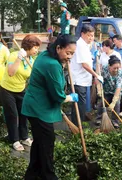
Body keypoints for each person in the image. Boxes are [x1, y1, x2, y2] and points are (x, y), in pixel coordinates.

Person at [22, 35, 78, 180]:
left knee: (39, 142)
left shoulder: (45, 55)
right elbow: (58, 96)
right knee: (47, 143)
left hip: (35, 105)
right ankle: (48, 175)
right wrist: (70, 97)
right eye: (68, 53)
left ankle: (32, 174)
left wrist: (64, 64)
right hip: (38, 108)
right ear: (58, 48)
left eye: (72, 54)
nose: (70, 57)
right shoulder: (52, 64)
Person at [0, 35, 41, 151]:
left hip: (20, 89)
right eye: (35, 48)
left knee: (24, 113)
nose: (37, 50)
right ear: (28, 46)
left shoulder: (32, 60)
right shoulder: (13, 56)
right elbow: (11, 73)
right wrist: (19, 58)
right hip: (7, 89)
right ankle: (14, 140)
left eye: (37, 48)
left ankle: (24, 137)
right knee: (12, 115)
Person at [70, 24, 103, 126]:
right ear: (82, 34)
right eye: (89, 35)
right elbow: (84, 65)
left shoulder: (85, 45)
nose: (91, 38)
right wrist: (96, 75)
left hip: (83, 80)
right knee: (79, 106)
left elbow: (88, 61)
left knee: (80, 105)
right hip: (79, 81)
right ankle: (77, 127)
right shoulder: (80, 45)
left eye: (92, 35)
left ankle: (78, 125)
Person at [95, 55, 122, 127]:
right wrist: (99, 89)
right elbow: (98, 79)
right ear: (109, 66)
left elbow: (118, 87)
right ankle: (99, 118)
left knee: (116, 104)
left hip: (115, 91)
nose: (116, 70)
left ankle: (115, 121)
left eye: (118, 68)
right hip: (106, 90)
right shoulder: (104, 69)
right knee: (102, 103)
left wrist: (113, 101)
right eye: (114, 68)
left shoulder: (120, 72)